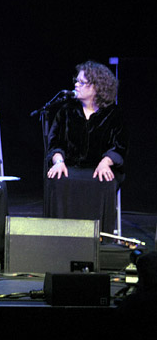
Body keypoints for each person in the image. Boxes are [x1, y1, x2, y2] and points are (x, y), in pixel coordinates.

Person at [46, 61, 127, 234]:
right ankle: (59, 236)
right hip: (70, 166)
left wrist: (106, 162)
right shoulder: (66, 111)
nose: (76, 84)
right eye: (77, 80)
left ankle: (99, 238)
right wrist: (58, 161)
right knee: (58, 179)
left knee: (104, 180)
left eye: (82, 82)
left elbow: (120, 145)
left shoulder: (115, 114)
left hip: (100, 167)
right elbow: (54, 143)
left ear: (97, 87)